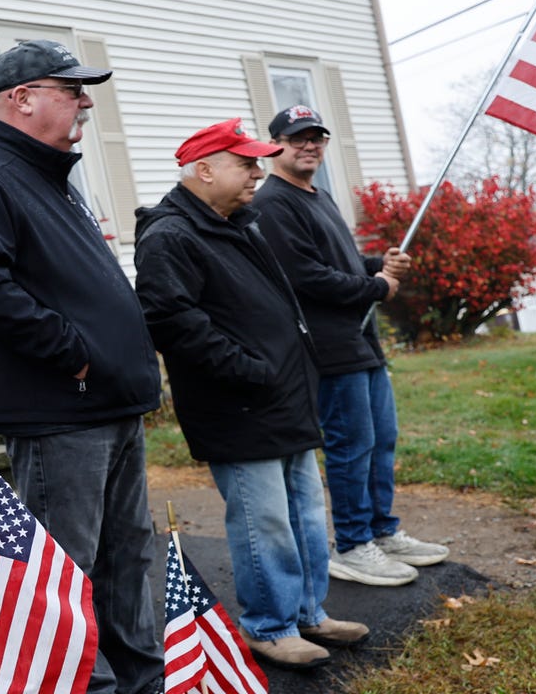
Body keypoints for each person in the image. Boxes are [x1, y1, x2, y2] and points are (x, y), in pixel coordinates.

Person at [0, 39, 164, 694]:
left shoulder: (56, 182)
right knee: (66, 577)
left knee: (126, 562)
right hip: (62, 415)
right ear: (22, 98)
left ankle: (144, 685)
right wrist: (77, 354)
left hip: (111, 408)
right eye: (72, 89)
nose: (86, 101)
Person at [133, 117, 368, 671]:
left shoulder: (240, 222)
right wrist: (247, 370)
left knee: (307, 514)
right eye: (246, 164)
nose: (258, 173)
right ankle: (269, 625)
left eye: (259, 163)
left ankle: (308, 611)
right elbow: (169, 320)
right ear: (205, 169)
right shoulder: (171, 235)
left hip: (283, 397)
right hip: (238, 404)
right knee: (264, 523)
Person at [252, 105, 449, 587]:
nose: (309, 146)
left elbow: (339, 259)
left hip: (361, 340)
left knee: (381, 440)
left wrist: (377, 262)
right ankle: (354, 543)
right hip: (328, 347)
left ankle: (382, 531)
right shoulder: (274, 203)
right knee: (351, 446)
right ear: (275, 143)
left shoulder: (318, 195)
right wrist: (377, 287)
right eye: (298, 138)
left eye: (317, 137)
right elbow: (305, 277)